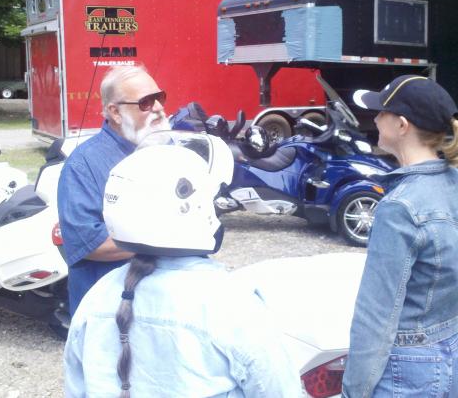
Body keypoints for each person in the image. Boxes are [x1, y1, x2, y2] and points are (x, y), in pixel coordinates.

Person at [64, 139, 303, 398]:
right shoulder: (233, 306)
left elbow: (76, 389)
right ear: (194, 209)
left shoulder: (95, 300)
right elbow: (278, 390)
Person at [342, 75, 458, 398]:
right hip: (452, 355)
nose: (375, 118)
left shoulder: (398, 208)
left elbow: (376, 317)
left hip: (406, 373)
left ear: (402, 125)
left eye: (381, 112)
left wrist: (354, 390)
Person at [57, 64, 170, 315]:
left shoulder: (170, 152)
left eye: (159, 98)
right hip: (109, 313)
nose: (160, 109)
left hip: (165, 307)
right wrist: (168, 237)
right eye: (146, 102)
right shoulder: (83, 165)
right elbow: (90, 243)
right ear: (115, 112)